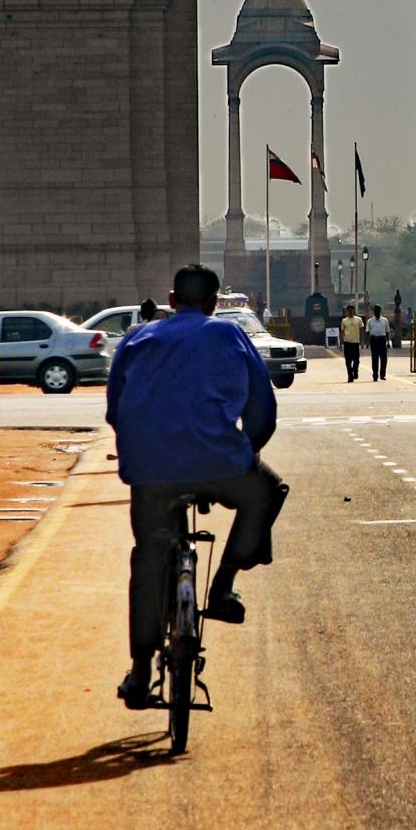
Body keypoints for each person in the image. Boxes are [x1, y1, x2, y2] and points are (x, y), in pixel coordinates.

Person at [106, 262, 288, 709]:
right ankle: (223, 586)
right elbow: (263, 410)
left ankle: (140, 670)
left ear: (171, 300)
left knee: (148, 557)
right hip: (220, 463)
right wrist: (247, 451)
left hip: (149, 471)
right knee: (269, 491)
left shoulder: (137, 337)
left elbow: (114, 409)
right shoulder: (229, 335)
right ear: (214, 303)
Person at [366, 304, 391, 382]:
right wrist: (368, 343)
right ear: (373, 312)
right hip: (374, 340)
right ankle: (375, 375)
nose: (376, 312)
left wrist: (388, 342)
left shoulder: (385, 320)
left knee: (384, 358)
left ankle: (382, 375)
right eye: (375, 311)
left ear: (380, 311)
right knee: (374, 359)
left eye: (378, 311)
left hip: (382, 340)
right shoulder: (370, 321)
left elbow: (387, 332)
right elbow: (367, 332)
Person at [340, 303, 362, 382]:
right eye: (348, 311)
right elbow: (342, 332)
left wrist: (362, 342)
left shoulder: (358, 319)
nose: (350, 312)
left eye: (351, 311)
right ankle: (350, 376)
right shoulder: (344, 321)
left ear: (354, 311)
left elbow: (361, 330)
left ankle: (355, 371)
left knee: (356, 360)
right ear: (346, 312)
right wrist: (341, 342)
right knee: (348, 361)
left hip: (356, 342)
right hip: (347, 342)